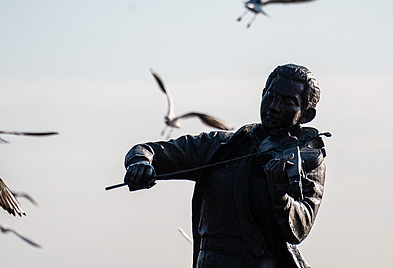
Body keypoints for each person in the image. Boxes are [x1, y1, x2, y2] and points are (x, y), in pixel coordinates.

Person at [124, 63, 327, 268]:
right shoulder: (219, 145)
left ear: (306, 115)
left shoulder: (306, 159)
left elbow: (299, 229)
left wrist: (281, 196)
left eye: (287, 101)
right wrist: (140, 162)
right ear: (263, 93)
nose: (274, 106)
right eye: (271, 96)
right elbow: (147, 150)